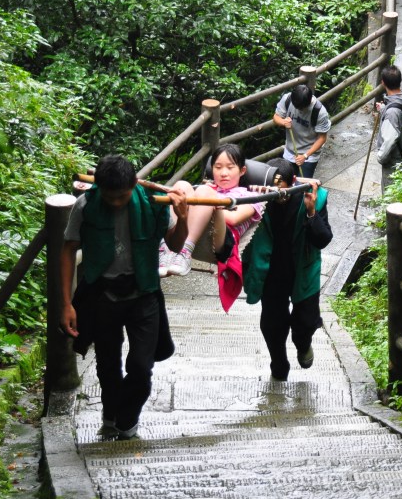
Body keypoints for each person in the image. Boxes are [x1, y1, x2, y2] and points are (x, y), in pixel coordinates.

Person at [60, 155, 189, 440]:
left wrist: (183, 217)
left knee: (142, 367)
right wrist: (66, 304)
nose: (116, 202)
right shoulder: (87, 205)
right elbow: (68, 248)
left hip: (144, 292)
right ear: (100, 189)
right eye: (110, 197)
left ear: (134, 186)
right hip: (102, 293)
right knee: (107, 364)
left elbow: (176, 244)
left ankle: (126, 417)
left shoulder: (154, 203)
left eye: (122, 196)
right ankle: (112, 414)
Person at [242, 159, 333, 381]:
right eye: (274, 190)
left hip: (304, 267)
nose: (278, 197)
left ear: (293, 183)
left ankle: (303, 345)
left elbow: (323, 239)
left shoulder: (314, 197)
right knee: (272, 322)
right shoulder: (256, 197)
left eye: (283, 191)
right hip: (271, 270)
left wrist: (311, 212)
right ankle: (279, 362)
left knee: (304, 322)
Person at [159, 144, 265, 278]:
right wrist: (201, 199)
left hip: (221, 241)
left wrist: (207, 201)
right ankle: (169, 252)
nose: (223, 173)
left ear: (242, 170)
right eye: (218, 167)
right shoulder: (207, 188)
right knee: (181, 186)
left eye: (230, 167)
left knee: (204, 191)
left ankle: (185, 251)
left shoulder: (252, 197)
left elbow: (234, 219)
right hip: (189, 230)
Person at [272, 84, 331, 179]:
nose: (297, 109)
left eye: (300, 108)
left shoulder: (319, 112)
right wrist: (283, 122)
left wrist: (305, 155)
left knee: (300, 189)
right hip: (289, 151)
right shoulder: (287, 99)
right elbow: (276, 117)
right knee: (285, 186)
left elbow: (322, 138)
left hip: (309, 154)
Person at [374, 65, 402, 192]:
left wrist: (380, 157)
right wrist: (383, 110)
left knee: (390, 195)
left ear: (383, 82)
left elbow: (390, 139)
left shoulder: (392, 113)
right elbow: (400, 117)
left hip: (395, 159)